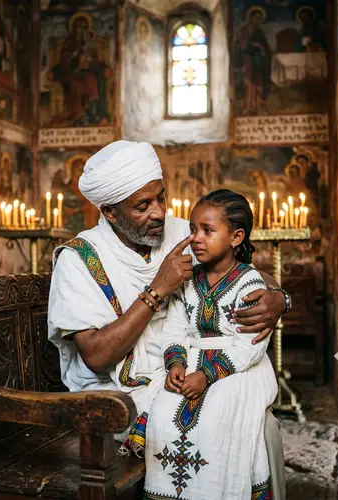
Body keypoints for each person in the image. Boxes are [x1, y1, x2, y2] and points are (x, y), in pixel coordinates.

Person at [48, 140, 288, 499]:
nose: (159, 212)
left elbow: (246, 276)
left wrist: (280, 299)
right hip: (119, 393)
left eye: (161, 197)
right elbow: (96, 356)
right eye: (143, 206)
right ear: (111, 212)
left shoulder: (182, 232)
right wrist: (158, 289)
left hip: (183, 368)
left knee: (251, 419)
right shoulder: (79, 260)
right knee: (221, 425)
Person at [144, 189, 279, 500]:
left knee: (218, 413)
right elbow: (175, 328)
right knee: (164, 408)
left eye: (207, 230)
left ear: (236, 237)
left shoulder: (249, 284)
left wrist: (206, 375)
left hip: (241, 370)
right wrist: (176, 363)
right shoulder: (188, 279)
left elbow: (250, 346)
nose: (196, 238)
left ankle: (218, 491)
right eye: (193, 229)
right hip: (193, 362)